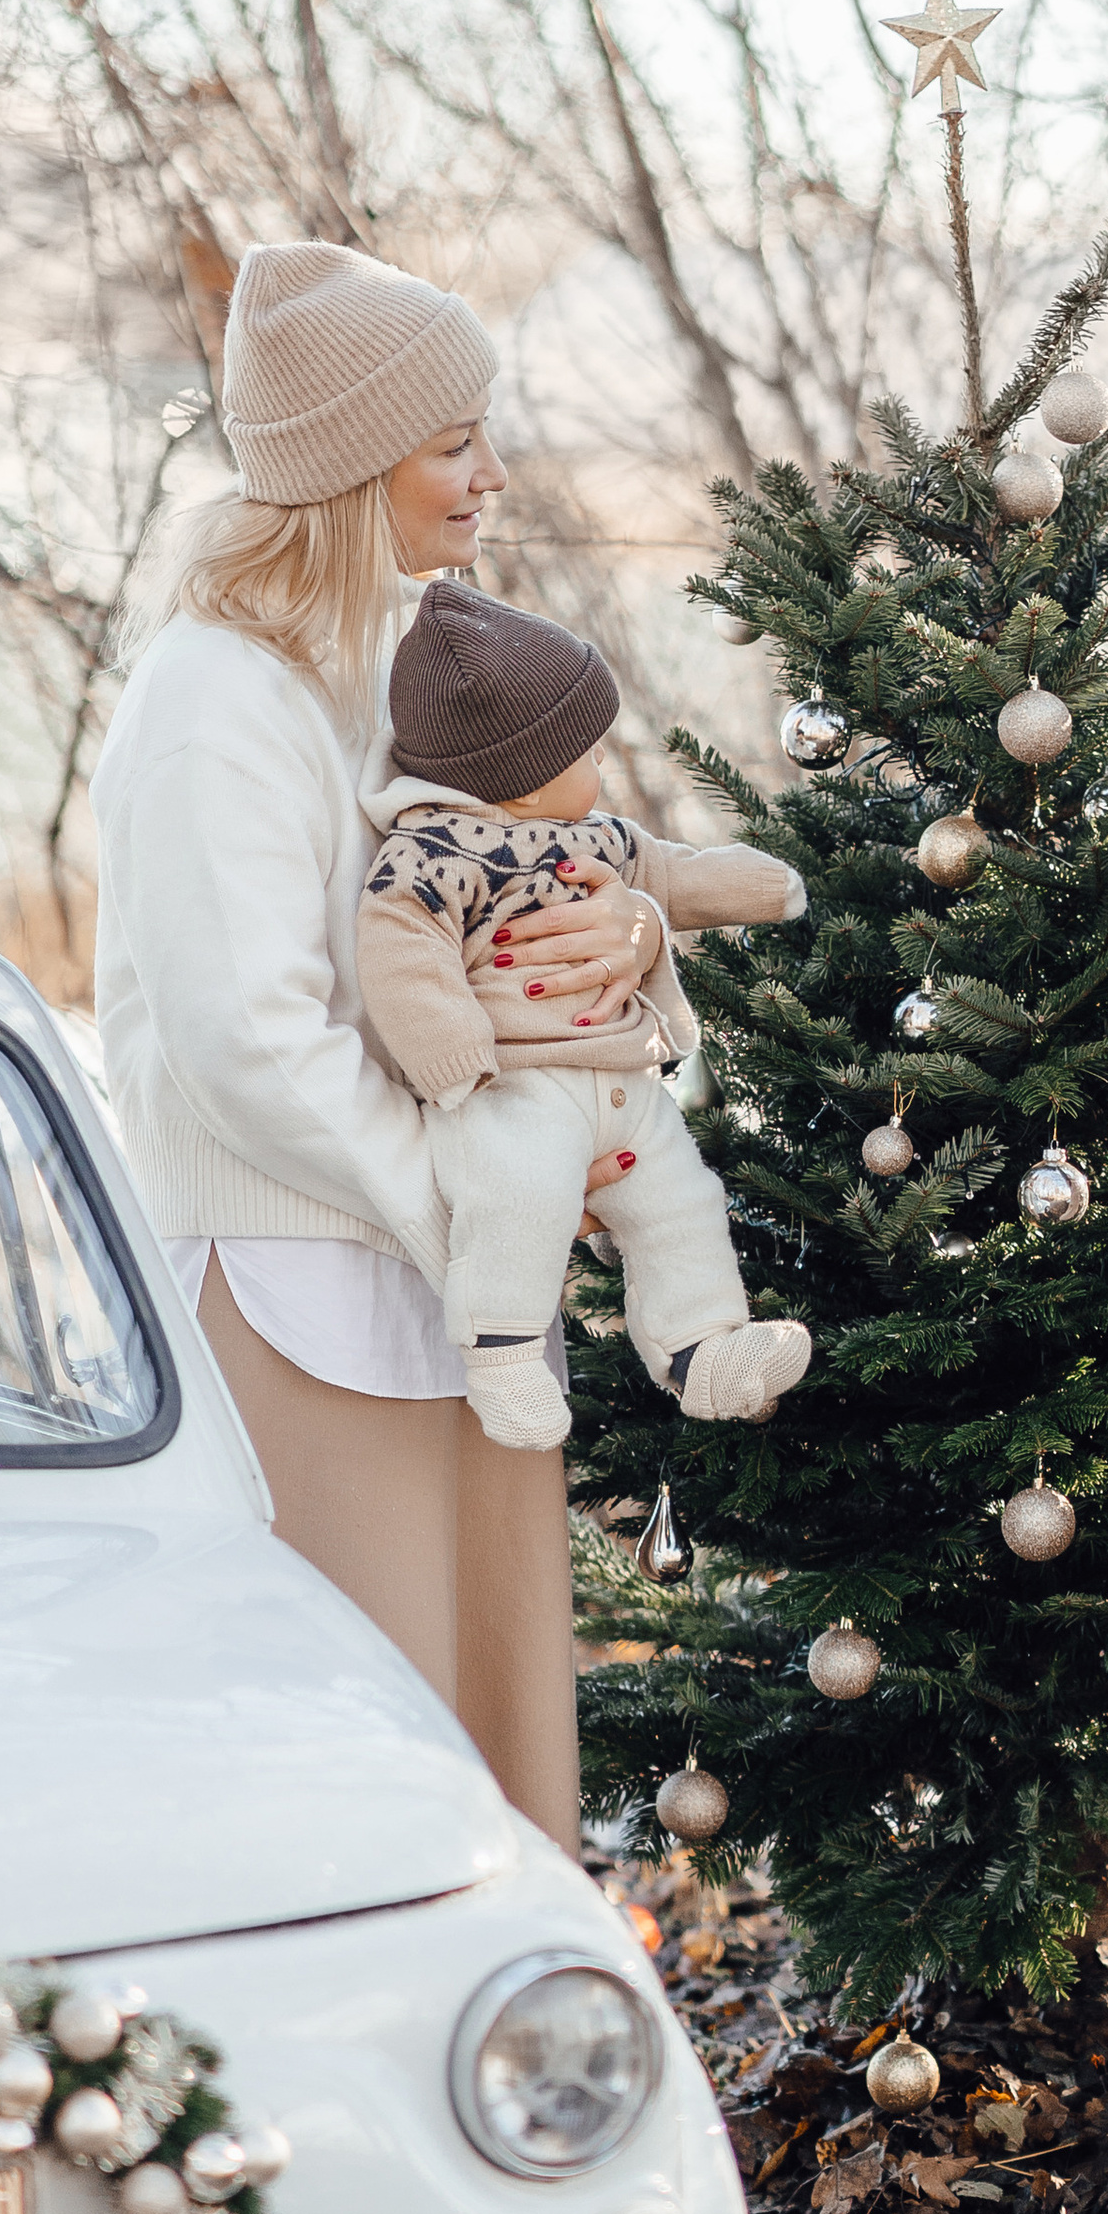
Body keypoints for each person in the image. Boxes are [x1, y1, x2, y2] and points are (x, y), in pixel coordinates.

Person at [91, 238, 660, 1849]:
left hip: (448, 1292)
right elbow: (247, 1041)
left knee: (490, 1744)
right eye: (452, 441)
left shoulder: (403, 669)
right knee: (361, 1774)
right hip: (307, 1308)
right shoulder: (219, 700)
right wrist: (472, 1208)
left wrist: (630, 937)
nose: (491, 474)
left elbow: (531, 879)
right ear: (351, 469)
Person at [355, 576, 812, 1450]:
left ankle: (701, 1349)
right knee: (516, 1202)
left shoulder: (598, 838)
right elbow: (401, 947)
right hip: (512, 1088)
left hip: (622, 1086)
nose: (603, 769)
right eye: (588, 754)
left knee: (682, 1200)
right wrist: (451, 1054)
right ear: (522, 775)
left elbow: (670, 874)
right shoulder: (437, 853)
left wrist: (761, 885)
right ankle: (503, 1353)